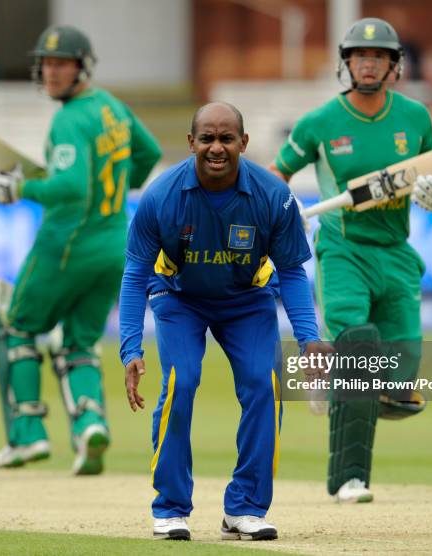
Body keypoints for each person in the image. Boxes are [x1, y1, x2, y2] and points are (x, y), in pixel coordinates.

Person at [119, 102, 328, 540]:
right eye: (207, 138)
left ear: (244, 143)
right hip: (180, 299)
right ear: (191, 142)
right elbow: (136, 274)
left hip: (248, 300)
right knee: (182, 380)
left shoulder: (275, 196)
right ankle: (171, 508)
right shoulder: (161, 196)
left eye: (226, 138)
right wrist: (131, 349)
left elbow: (290, 270)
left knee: (264, 385)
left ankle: (245, 509)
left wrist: (310, 339)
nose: (217, 147)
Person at [269, 18, 432, 503]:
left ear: (394, 66)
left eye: (379, 56)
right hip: (343, 248)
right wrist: (281, 213)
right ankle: (350, 478)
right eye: (359, 55)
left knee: (401, 385)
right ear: (346, 63)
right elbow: (275, 175)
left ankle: (329, 383)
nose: (368, 63)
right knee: (357, 347)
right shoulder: (319, 123)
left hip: (396, 252)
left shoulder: (415, 118)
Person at [0, 24, 162, 475]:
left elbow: (72, 186)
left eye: (61, 64)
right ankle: (89, 426)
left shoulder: (69, 119)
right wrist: (124, 184)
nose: (50, 72)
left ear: (81, 67)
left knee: (17, 326)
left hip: (66, 244)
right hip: (115, 246)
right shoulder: (111, 108)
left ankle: (28, 435)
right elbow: (149, 152)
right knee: (80, 341)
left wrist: (20, 188)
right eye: (45, 64)